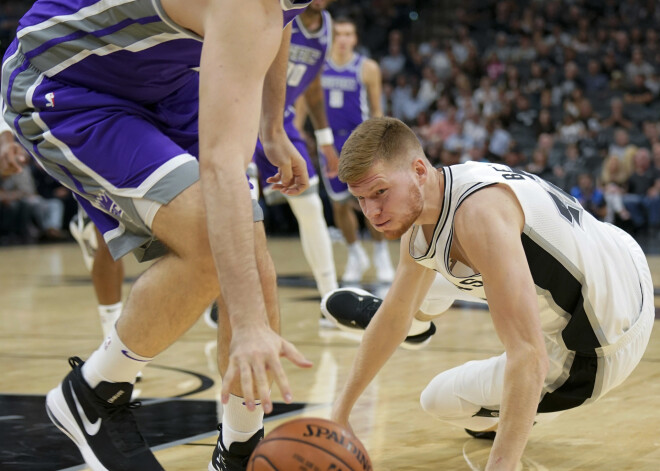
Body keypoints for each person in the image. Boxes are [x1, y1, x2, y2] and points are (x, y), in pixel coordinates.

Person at [2, 1, 315, 470]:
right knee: (214, 248)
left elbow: (282, 21)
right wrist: (249, 326)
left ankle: (241, 452)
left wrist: (273, 125)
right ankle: (94, 393)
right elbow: (221, 167)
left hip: (165, 84)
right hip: (65, 78)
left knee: (251, 259)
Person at [328, 117, 654, 469]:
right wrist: (339, 414)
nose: (372, 212)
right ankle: (418, 325)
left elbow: (530, 356)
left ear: (420, 170)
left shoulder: (480, 215)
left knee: (439, 400)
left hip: (603, 340)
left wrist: (501, 464)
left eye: (380, 192)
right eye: (361, 199)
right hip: (618, 251)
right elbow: (392, 317)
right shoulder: (439, 197)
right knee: (415, 285)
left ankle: (505, 412)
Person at [252, 0, 339, 301]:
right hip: (246, 111)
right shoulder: (281, 13)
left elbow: (313, 87)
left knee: (311, 206)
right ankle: (223, 299)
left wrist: (325, 139)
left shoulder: (327, 27)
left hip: (281, 120)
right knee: (240, 208)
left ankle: (330, 298)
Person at [320, 17, 395, 284]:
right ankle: (354, 254)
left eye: (348, 34)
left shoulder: (367, 67)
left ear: (355, 38)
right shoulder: (320, 66)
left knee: (373, 199)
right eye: (338, 33)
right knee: (339, 204)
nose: (342, 38)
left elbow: (376, 110)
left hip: (360, 141)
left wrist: (378, 143)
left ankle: (380, 251)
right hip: (329, 142)